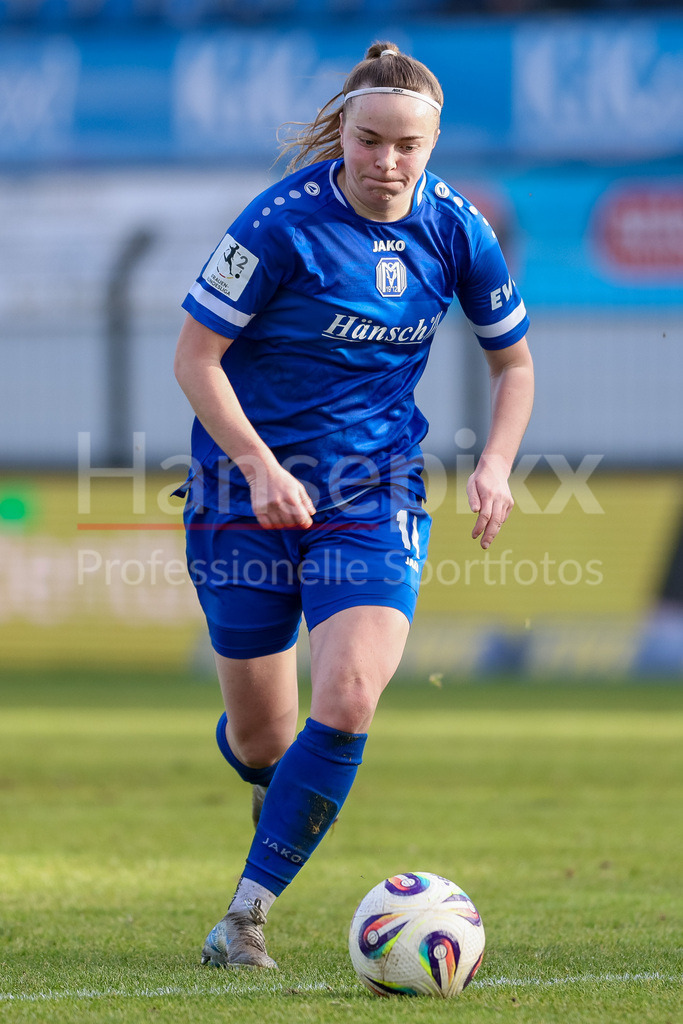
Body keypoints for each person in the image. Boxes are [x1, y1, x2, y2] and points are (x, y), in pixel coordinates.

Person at [173, 41, 534, 968]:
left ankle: (243, 919)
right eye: (369, 142)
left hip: (374, 492)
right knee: (265, 737)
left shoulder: (457, 229)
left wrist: (493, 464)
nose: (387, 164)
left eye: (407, 147)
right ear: (341, 131)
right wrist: (257, 465)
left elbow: (513, 362)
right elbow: (195, 359)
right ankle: (272, 777)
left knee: (348, 695)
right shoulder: (277, 223)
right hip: (239, 492)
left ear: (433, 143)